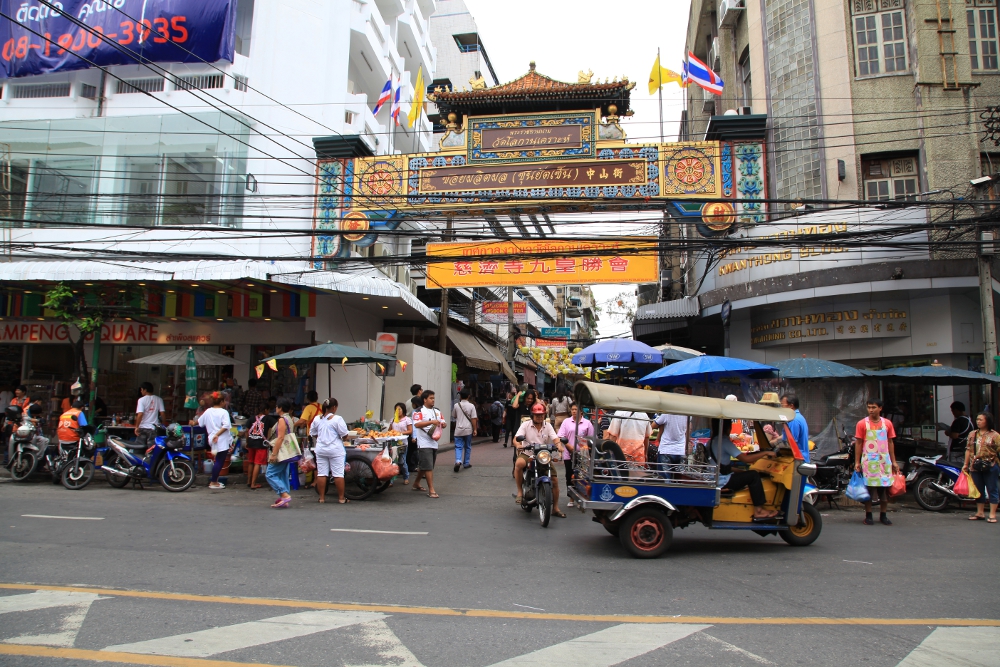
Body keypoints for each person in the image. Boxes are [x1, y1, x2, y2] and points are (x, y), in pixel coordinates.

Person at [716, 420, 779, 519]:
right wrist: (766, 453)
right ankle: (759, 511)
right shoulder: (724, 441)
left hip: (718, 477)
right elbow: (746, 459)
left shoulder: (713, 440)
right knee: (754, 475)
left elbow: (724, 466)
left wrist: (742, 472)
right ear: (728, 428)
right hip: (722, 481)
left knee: (747, 474)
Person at [514, 402, 566, 517]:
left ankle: (555, 508)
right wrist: (518, 445)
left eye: (541, 415)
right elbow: (516, 438)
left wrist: (559, 446)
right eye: (537, 415)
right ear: (532, 415)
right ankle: (519, 491)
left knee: (555, 480)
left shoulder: (548, 426)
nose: (539, 417)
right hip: (528, 454)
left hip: (543, 455)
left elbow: (555, 438)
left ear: (545, 415)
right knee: (519, 464)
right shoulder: (526, 425)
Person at [854, 398, 899, 526]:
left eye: (873, 407)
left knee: (883, 490)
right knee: (869, 489)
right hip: (868, 462)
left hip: (884, 462)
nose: (871, 410)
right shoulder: (862, 424)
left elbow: (890, 442)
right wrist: (857, 462)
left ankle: (883, 515)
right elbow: (859, 443)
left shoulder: (887, 424)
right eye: (869, 407)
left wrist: (894, 461)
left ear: (880, 408)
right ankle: (868, 515)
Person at [311, 397, 350, 504]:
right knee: (338, 474)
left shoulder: (317, 419)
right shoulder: (338, 419)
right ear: (334, 407)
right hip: (335, 450)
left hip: (321, 449)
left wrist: (322, 436)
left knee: (322, 473)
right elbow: (345, 435)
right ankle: (341, 498)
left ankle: (322, 498)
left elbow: (313, 433)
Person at [964, 412, 1000, 523]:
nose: (978, 421)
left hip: (991, 465)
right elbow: (968, 449)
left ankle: (992, 514)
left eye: (981, 419)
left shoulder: (995, 436)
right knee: (978, 489)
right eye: (977, 419)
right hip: (975, 466)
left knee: (992, 489)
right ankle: (980, 512)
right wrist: (965, 465)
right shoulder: (972, 434)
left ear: (987, 421)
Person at [557, 402, 593, 508]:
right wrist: (568, 446)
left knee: (581, 476)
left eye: (576, 409)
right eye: (572, 409)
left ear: (581, 411)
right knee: (570, 475)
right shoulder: (566, 422)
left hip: (583, 454)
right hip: (569, 453)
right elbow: (561, 436)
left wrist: (586, 448)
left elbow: (591, 438)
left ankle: (581, 497)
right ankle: (571, 497)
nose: (574, 411)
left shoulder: (587, 423)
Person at [411, 389, 444, 498]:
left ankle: (416, 483)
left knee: (426, 465)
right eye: (430, 398)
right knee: (428, 466)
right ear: (425, 400)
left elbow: (443, 422)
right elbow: (417, 424)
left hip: (434, 442)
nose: (433, 400)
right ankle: (431, 490)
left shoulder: (437, 411)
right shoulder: (418, 411)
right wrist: (431, 422)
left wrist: (443, 425)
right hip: (424, 442)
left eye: (433, 398)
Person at [198, 392, 233, 490]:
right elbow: (226, 426)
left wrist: (193, 422)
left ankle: (215, 480)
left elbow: (200, 422)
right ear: (221, 402)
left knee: (217, 460)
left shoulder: (208, 411)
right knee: (219, 461)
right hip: (221, 439)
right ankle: (213, 481)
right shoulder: (224, 412)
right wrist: (217, 434)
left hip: (212, 439)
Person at [265, 397, 296, 508]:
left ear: (280, 408)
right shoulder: (290, 419)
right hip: (287, 451)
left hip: (280, 452)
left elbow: (280, 438)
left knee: (270, 474)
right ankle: (284, 497)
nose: (276, 408)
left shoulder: (282, 420)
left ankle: (284, 494)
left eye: (277, 406)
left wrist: (273, 454)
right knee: (283, 474)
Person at [654, 393, 689, 479]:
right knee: (678, 481)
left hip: (666, 450)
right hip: (680, 450)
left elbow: (653, 425)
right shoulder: (688, 415)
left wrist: (662, 425)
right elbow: (688, 431)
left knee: (665, 481)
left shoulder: (667, 414)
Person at [452, 388, 477, 472]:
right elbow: (474, 418)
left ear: (460, 396)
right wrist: (475, 429)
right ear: (469, 396)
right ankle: (466, 463)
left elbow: (454, 416)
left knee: (458, 446)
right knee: (468, 446)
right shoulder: (471, 406)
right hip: (468, 429)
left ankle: (458, 461)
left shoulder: (456, 405)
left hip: (458, 429)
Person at [244, 405, 268, 490]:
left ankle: (249, 481)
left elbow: (246, 430)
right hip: (261, 444)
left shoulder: (251, 418)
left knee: (251, 462)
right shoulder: (268, 419)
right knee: (257, 463)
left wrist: (247, 441)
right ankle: (253, 483)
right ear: (265, 410)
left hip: (251, 442)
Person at [134, 382, 165, 449]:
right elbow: (162, 414)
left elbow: (140, 414)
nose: (141, 391)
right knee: (152, 450)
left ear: (145, 390)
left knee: (138, 449)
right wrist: (163, 425)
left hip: (143, 428)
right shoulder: (159, 399)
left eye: (141, 389)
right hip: (153, 429)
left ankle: (141, 459)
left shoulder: (141, 400)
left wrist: (136, 427)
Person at [780, 394, 810, 462]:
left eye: (782, 405)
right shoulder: (798, 417)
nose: (781, 408)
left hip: (798, 460)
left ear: (791, 406)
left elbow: (791, 442)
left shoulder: (793, 420)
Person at [392, 402, 412, 484]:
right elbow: (390, 430)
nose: (398, 411)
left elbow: (410, 431)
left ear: (403, 410)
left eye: (399, 409)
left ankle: (406, 477)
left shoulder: (407, 419)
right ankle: (391, 480)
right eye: (396, 409)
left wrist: (401, 433)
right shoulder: (393, 419)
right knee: (392, 461)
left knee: (402, 461)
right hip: (393, 443)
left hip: (403, 444)